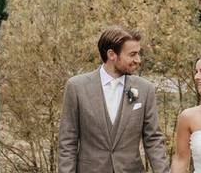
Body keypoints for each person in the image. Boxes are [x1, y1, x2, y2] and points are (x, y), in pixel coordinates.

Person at [58, 26, 169, 173]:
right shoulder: (77, 87)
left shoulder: (145, 89)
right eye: (132, 54)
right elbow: (67, 142)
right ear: (111, 54)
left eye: (138, 54)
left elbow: (153, 139)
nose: (138, 60)